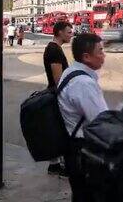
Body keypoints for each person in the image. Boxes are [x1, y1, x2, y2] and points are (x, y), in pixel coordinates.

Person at [58, 33, 108, 201]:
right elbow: (102, 122)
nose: (104, 55)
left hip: (74, 146)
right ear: (86, 57)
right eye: (100, 51)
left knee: (80, 193)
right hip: (84, 151)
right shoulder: (83, 83)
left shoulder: (71, 72)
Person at [42, 21, 72, 176]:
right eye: (68, 32)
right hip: (57, 94)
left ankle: (54, 164)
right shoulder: (54, 50)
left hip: (54, 93)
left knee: (57, 129)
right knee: (62, 130)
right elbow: (58, 78)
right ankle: (60, 165)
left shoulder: (54, 48)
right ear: (59, 33)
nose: (71, 34)